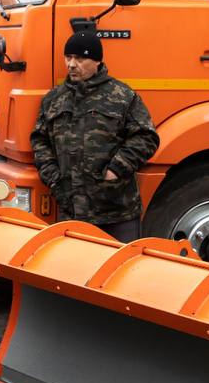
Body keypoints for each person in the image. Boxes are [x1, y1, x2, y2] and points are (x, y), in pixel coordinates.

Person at [30, 30, 160, 243]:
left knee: (120, 270)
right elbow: (39, 140)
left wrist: (115, 170)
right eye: (68, 57)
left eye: (80, 58)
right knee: (74, 272)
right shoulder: (53, 99)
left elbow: (146, 137)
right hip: (71, 211)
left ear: (97, 61)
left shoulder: (122, 96)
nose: (72, 64)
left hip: (115, 212)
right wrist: (53, 178)